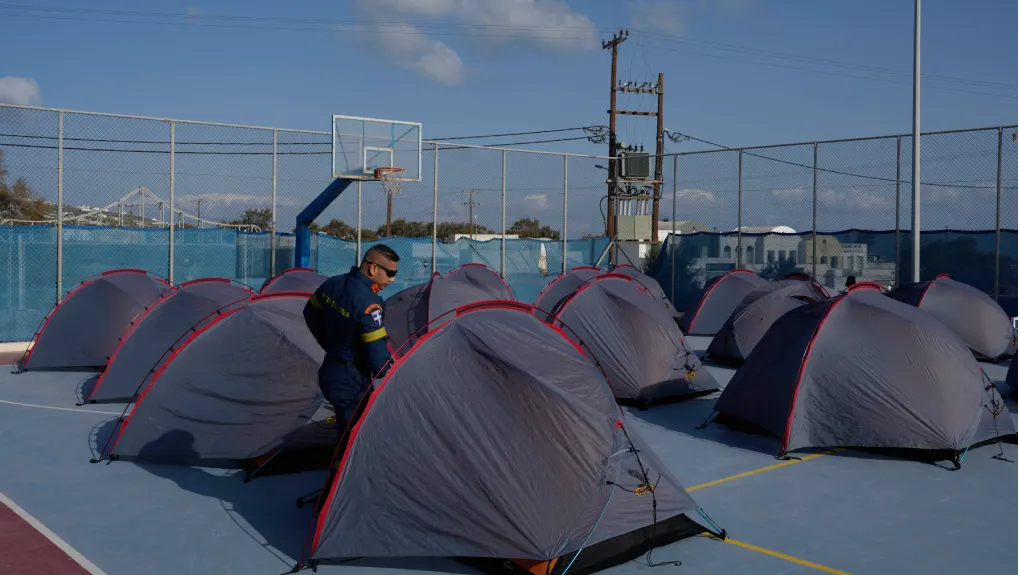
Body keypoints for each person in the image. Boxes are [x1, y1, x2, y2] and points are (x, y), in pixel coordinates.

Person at [303, 245, 400, 448]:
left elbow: (310, 313)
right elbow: (377, 358)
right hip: (353, 380)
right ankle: (338, 478)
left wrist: (330, 344)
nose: (392, 280)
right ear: (373, 268)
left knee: (344, 429)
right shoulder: (370, 303)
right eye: (390, 273)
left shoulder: (332, 284)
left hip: (331, 370)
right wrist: (390, 373)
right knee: (351, 441)